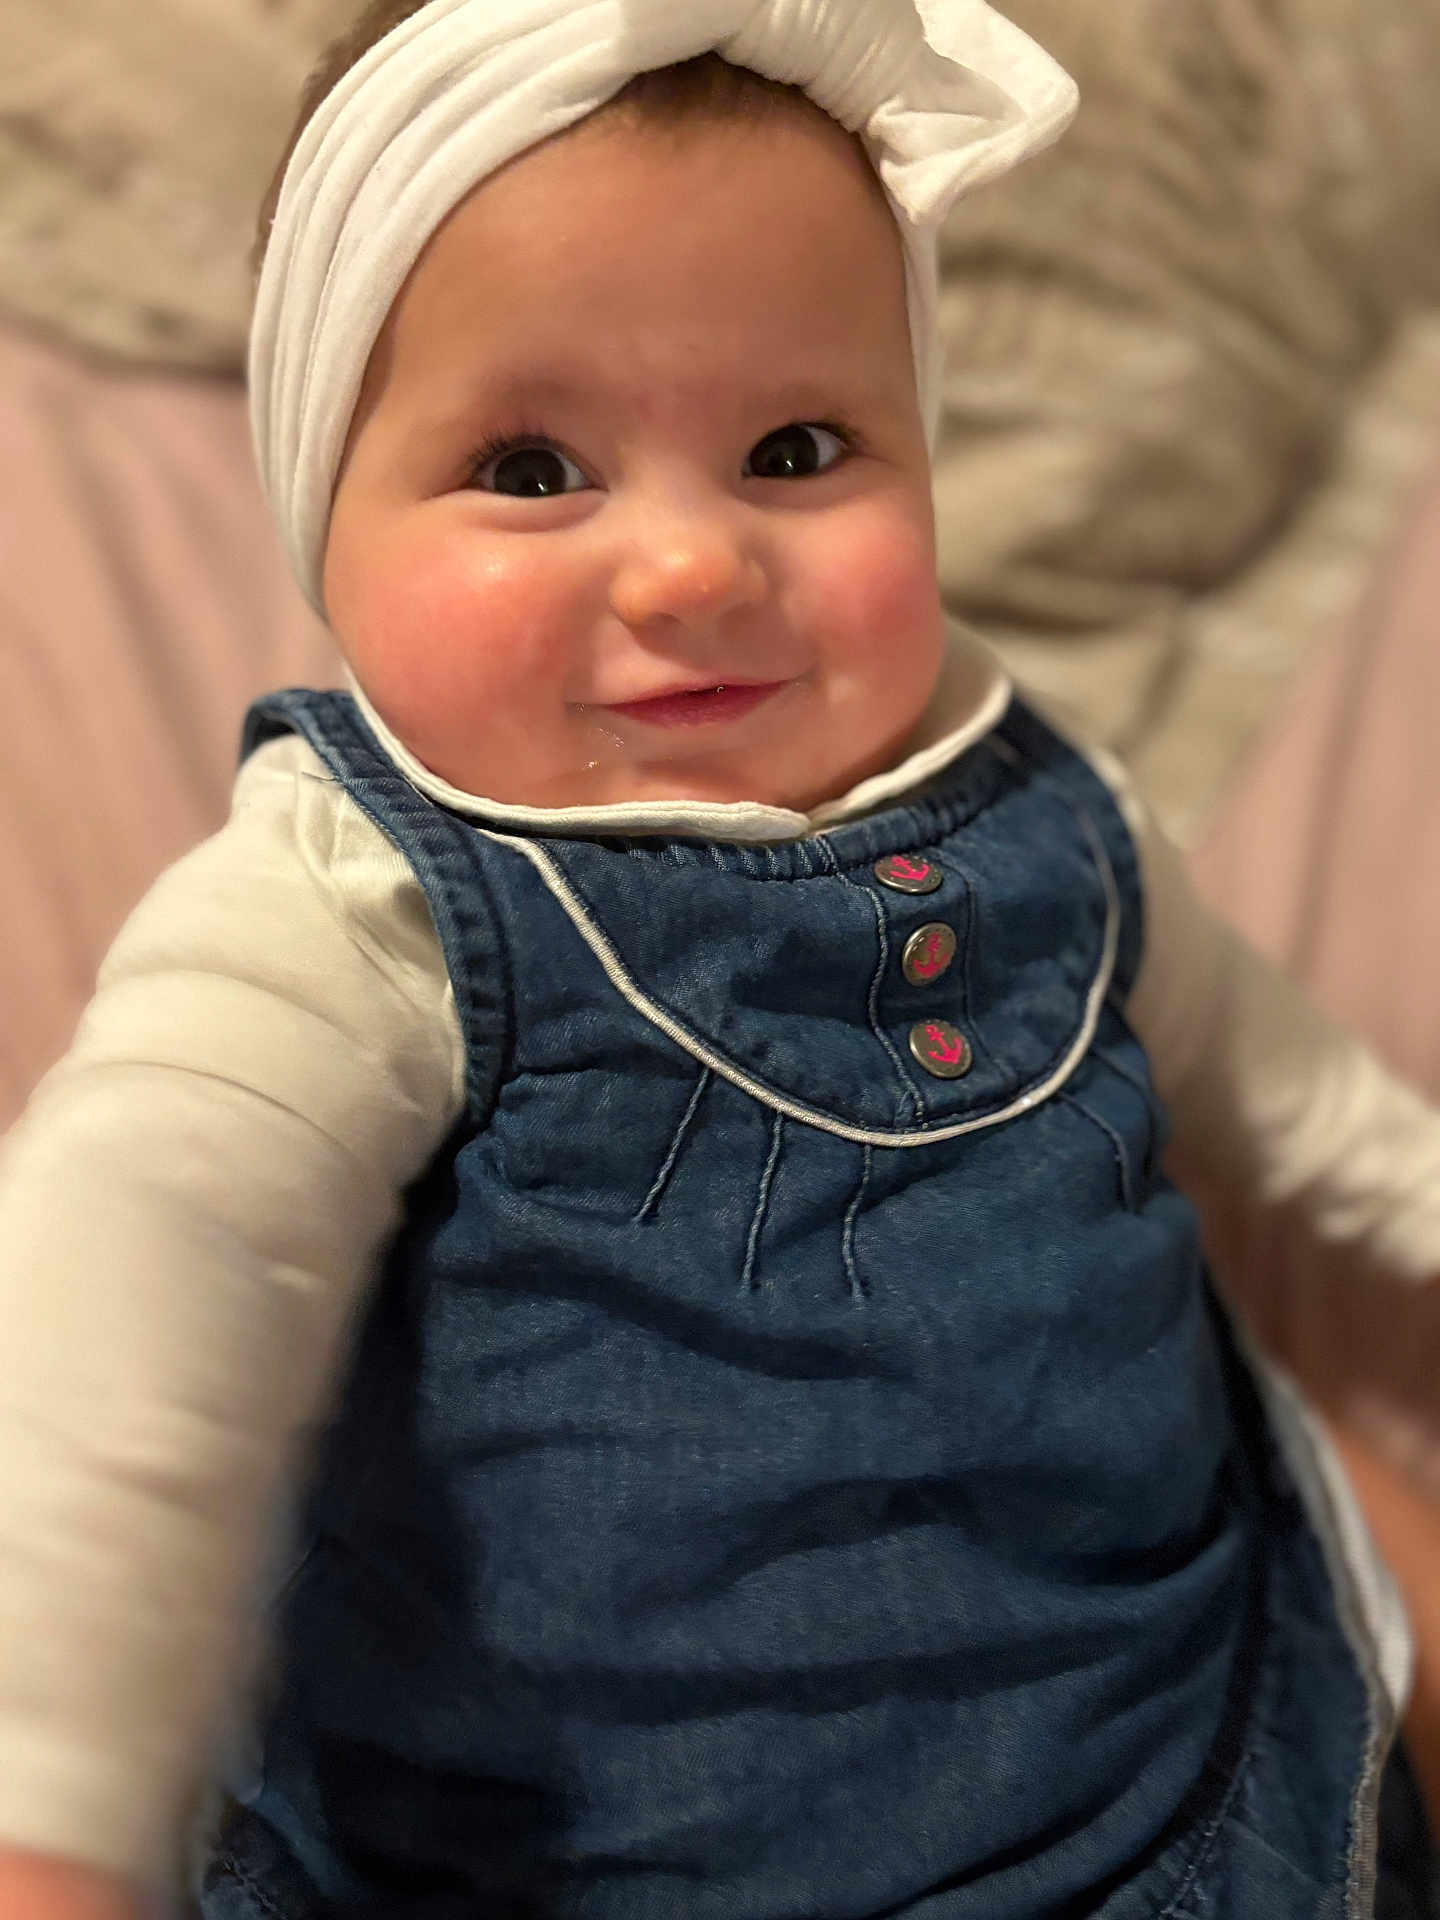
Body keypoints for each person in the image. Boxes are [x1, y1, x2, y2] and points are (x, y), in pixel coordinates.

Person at [2, 0, 1440, 1914]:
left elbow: (1298, 1116)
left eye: (794, 446)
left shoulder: (1042, 799)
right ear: (322, 527)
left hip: (1148, 1778)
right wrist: (57, 1803)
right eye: (529, 469)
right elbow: (142, 1262)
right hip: (544, 1852)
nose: (690, 567)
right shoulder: (355, 901)